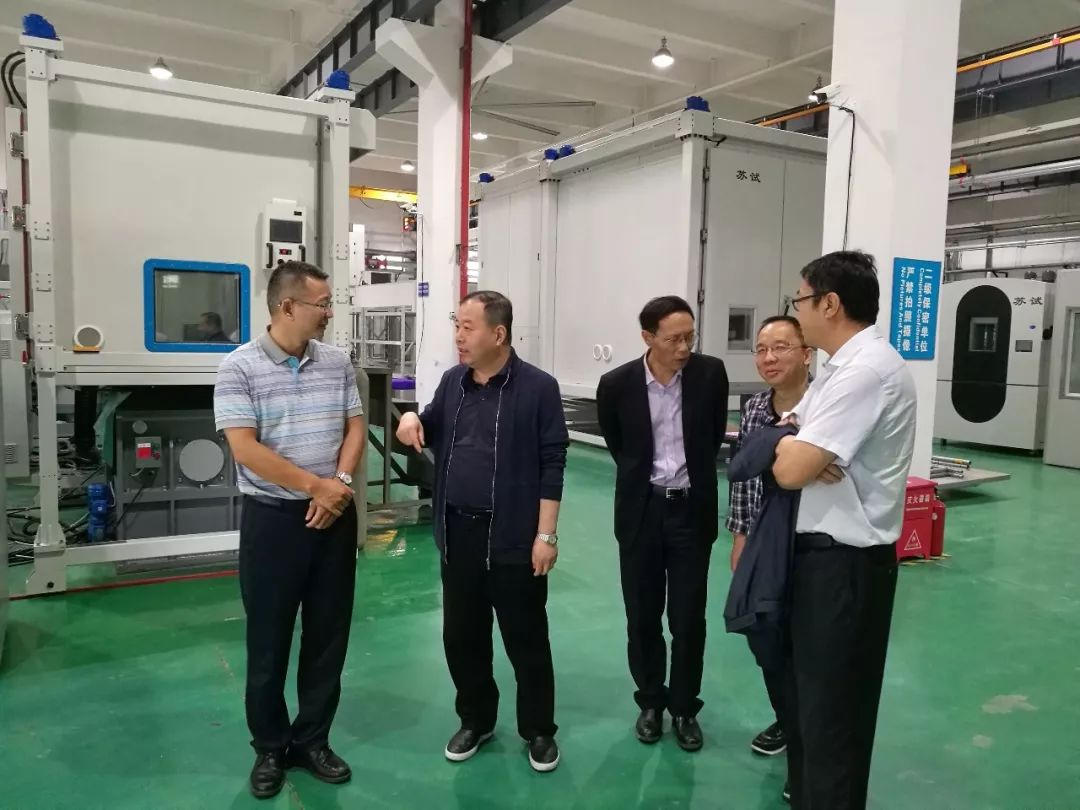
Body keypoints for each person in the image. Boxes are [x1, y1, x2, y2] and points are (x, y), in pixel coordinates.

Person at [395, 290, 569, 773]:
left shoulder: (538, 388)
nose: (458, 336)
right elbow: (428, 424)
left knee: (526, 640)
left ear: (499, 333)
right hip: (458, 536)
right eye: (457, 325)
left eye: (467, 327)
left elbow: (553, 462)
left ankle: (538, 730)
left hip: (513, 537)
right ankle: (476, 719)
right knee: (462, 637)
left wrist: (546, 535)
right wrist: (410, 417)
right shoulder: (454, 382)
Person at [214, 261, 366, 800]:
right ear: (286, 307)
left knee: (328, 637)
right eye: (322, 304)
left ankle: (312, 741)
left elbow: (354, 425)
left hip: (334, 518)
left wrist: (338, 484)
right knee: (269, 639)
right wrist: (314, 487)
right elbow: (244, 447)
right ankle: (270, 747)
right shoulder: (238, 368)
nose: (329, 313)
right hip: (274, 521)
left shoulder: (336, 362)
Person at [772, 250, 917, 809]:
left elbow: (788, 470)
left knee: (834, 720)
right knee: (811, 711)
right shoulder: (837, 368)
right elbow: (779, 434)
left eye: (800, 301)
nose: (797, 312)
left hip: (847, 568)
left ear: (829, 304)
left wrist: (796, 450)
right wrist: (794, 445)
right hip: (819, 560)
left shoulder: (865, 373)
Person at [596, 296, 729, 752]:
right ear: (648, 337)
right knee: (642, 615)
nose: (684, 348)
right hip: (642, 513)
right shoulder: (617, 384)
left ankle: (685, 707)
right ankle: (651, 701)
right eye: (674, 339)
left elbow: (711, 437)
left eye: (690, 337)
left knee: (689, 618)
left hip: (691, 511)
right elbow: (620, 445)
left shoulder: (709, 375)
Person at [726, 316, 811, 758]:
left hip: (815, 538)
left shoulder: (827, 403)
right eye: (761, 349)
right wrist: (741, 535)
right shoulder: (757, 407)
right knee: (764, 629)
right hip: (765, 537)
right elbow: (744, 479)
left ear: (807, 353)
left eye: (781, 347)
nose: (769, 358)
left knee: (807, 636)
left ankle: (807, 732)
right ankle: (786, 717)